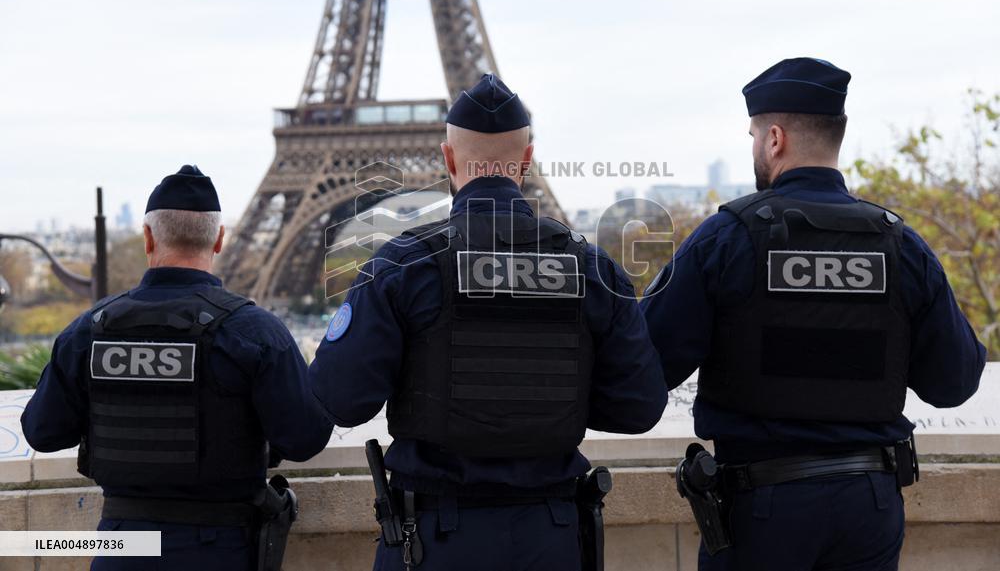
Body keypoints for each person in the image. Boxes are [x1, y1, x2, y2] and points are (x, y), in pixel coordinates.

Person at [309, 74, 668, 571]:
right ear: (526, 160)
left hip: (433, 540)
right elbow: (638, 409)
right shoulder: (591, 267)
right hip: (553, 534)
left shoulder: (403, 265)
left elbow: (341, 400)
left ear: (448, 158)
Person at [642, 58, 988, 571]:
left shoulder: (726, 238)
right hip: (869, 506)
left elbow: (647, 361)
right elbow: (953, 383)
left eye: (754, 136)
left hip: (763, 509)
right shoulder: (900, 243)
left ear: (774, 138)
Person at [21, 165, 332, 571]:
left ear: (148, 237)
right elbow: (305, 438)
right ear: (220, 239)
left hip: (122, 543)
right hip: (220, 547)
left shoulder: (89, 331)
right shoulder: (256, 332)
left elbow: (42, 433)